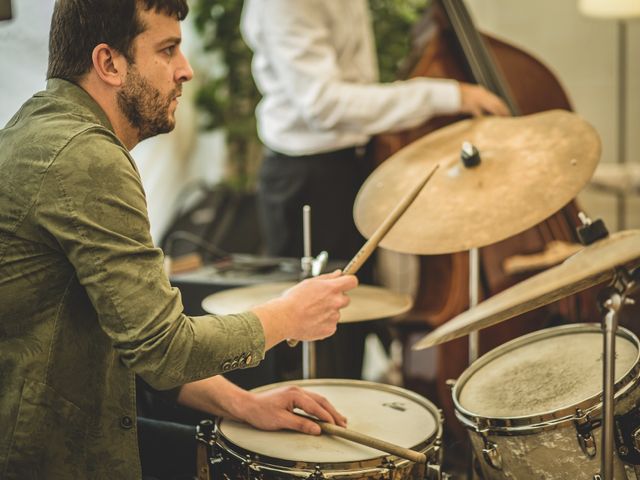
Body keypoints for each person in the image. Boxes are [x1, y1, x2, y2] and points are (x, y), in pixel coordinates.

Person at [0, 1, 358, 479]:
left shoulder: (44, 126)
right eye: (167, 50)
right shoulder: (85, 158)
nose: (185, 71)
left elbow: (135, 339)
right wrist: (288, 315)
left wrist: (243, 403)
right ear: (108, 63)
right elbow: (164, 349)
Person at [240, 0, 509, 380]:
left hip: (350, 163)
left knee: (351, 320)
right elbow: (324, 103)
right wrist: (448, 96)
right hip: (308, 177)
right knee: (316, 342)